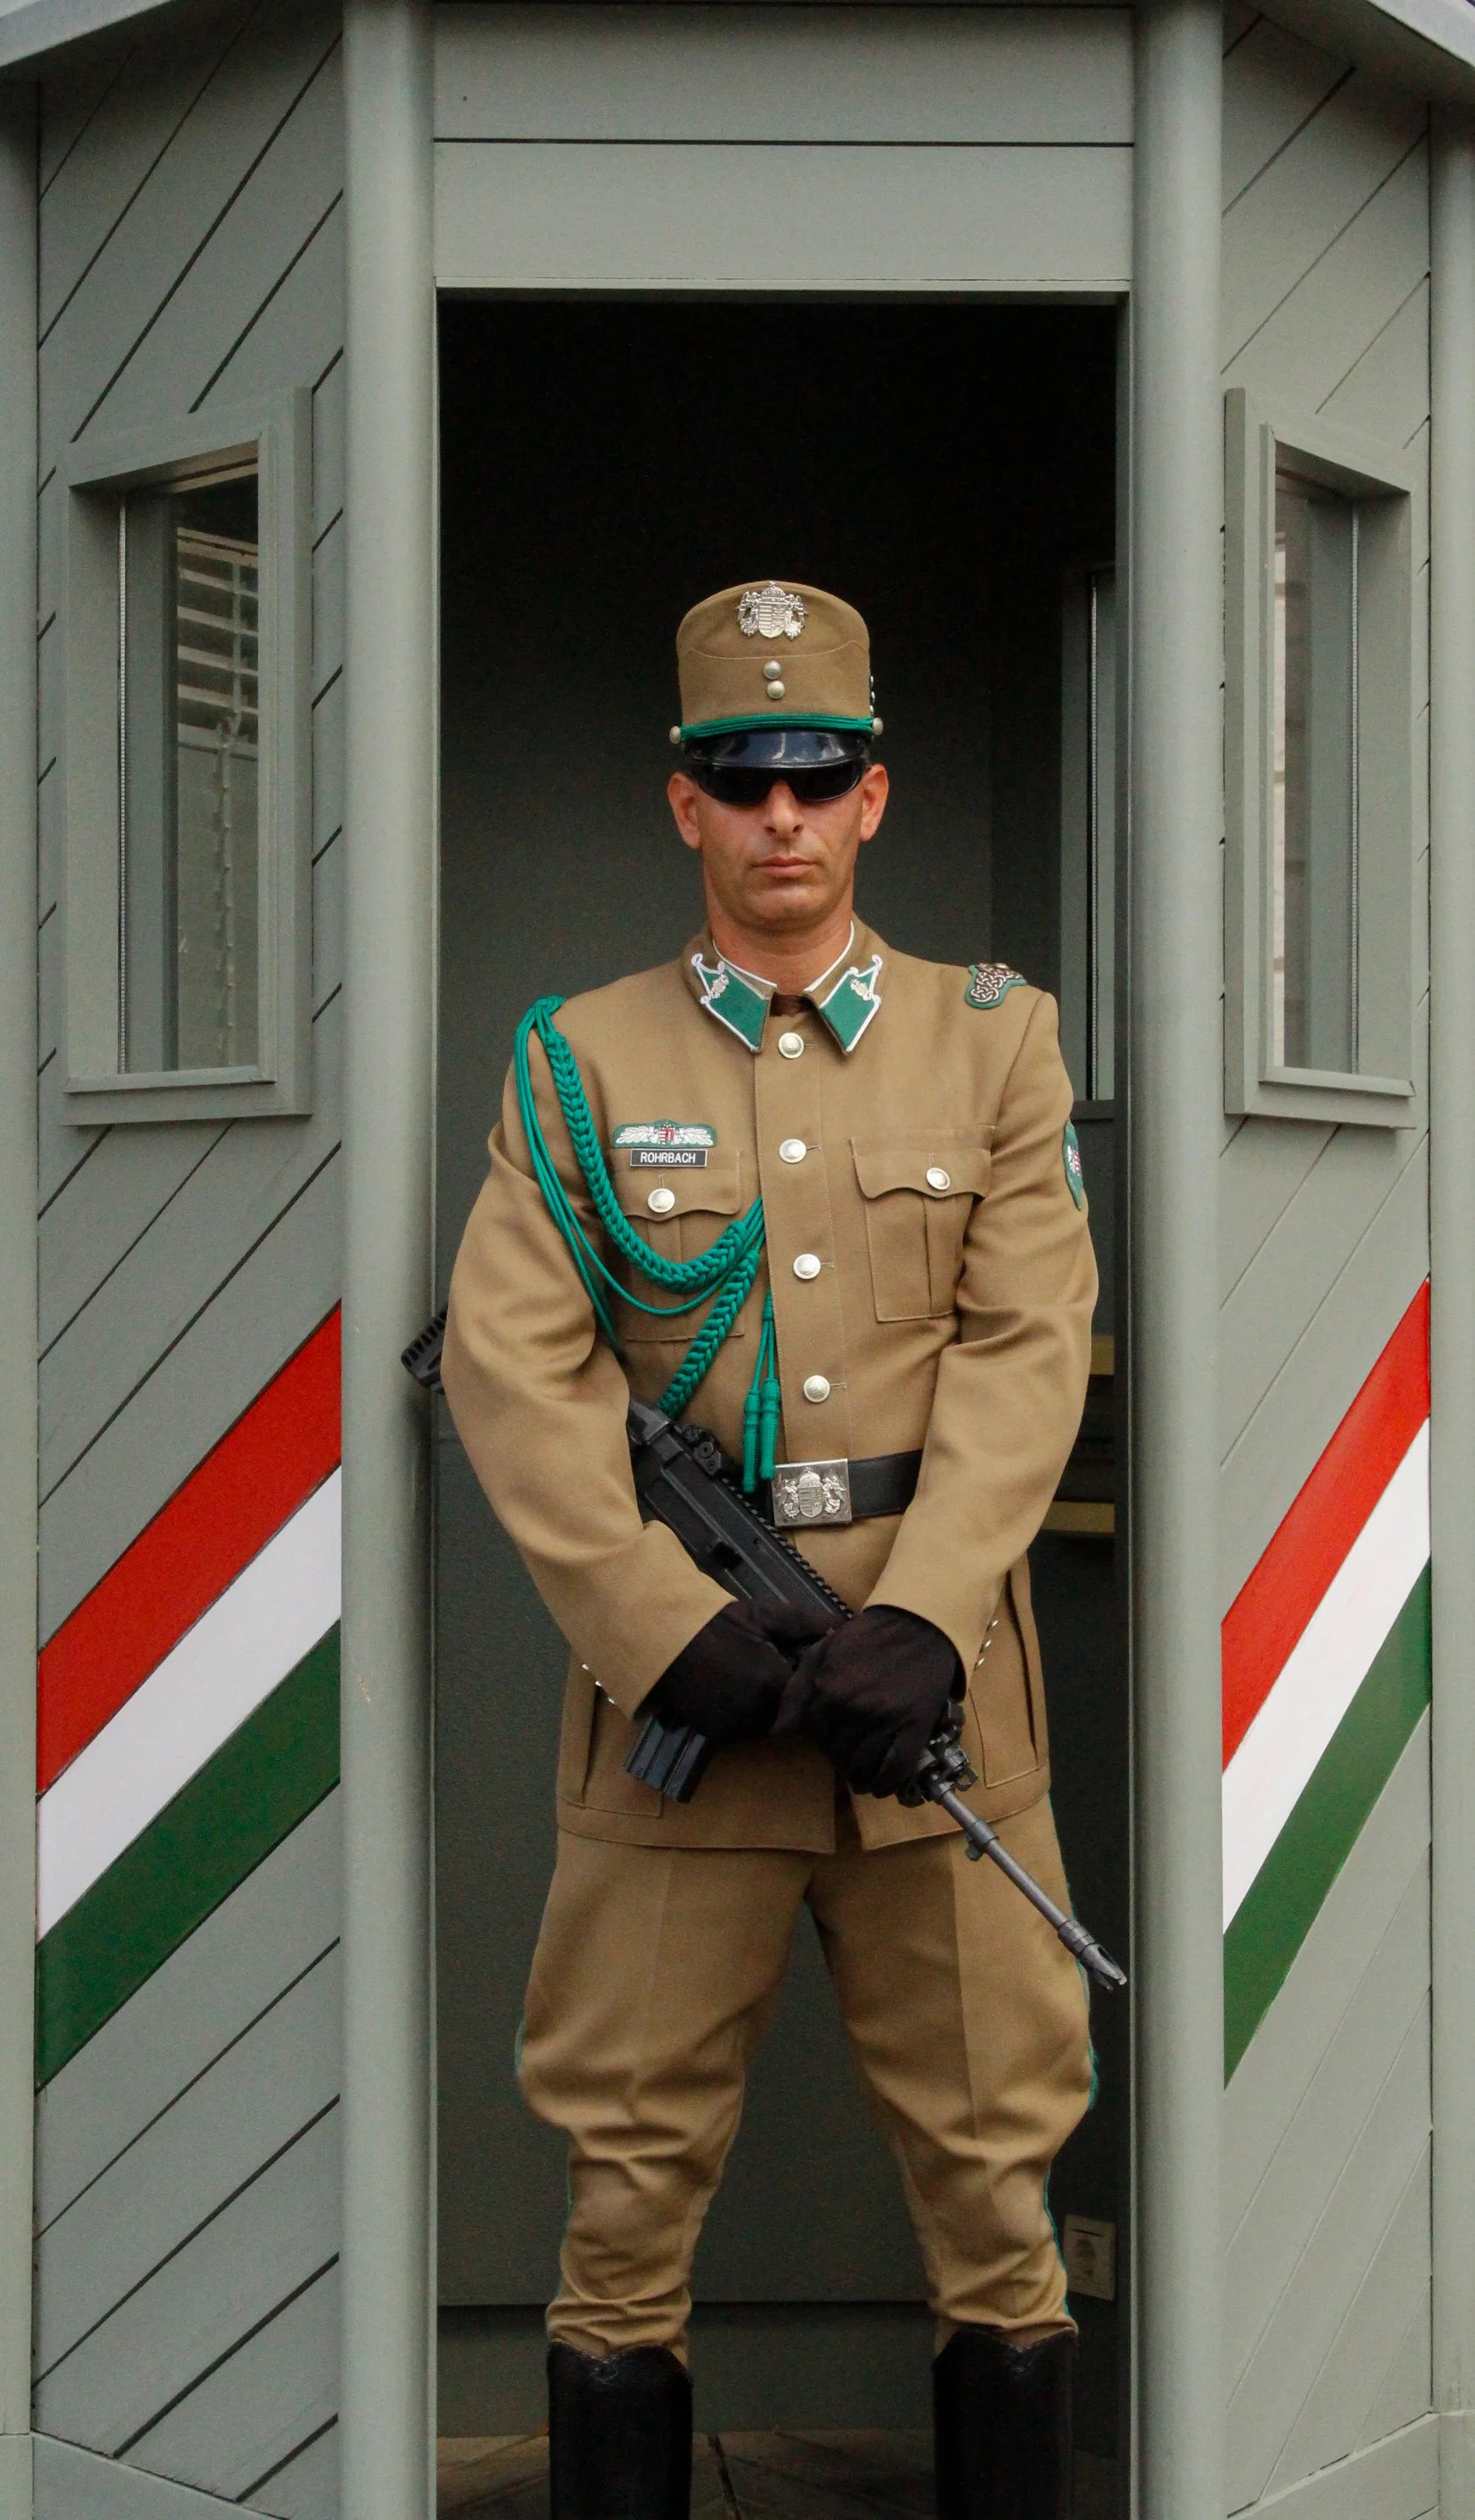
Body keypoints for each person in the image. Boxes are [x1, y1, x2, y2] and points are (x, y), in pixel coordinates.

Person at [442, 580, 1097, 2520]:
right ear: (685, 807)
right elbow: (516, 1367)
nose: (783, 815)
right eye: (743, 778)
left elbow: (1025, 1346)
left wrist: (924, 1622)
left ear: (877, 796)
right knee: (627, 2187)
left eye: (819, 775)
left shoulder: (996, 1047)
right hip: (687, 1715)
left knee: (998, 2186)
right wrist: (661, 1630)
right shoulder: (575, 1063)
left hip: (940, 1711)